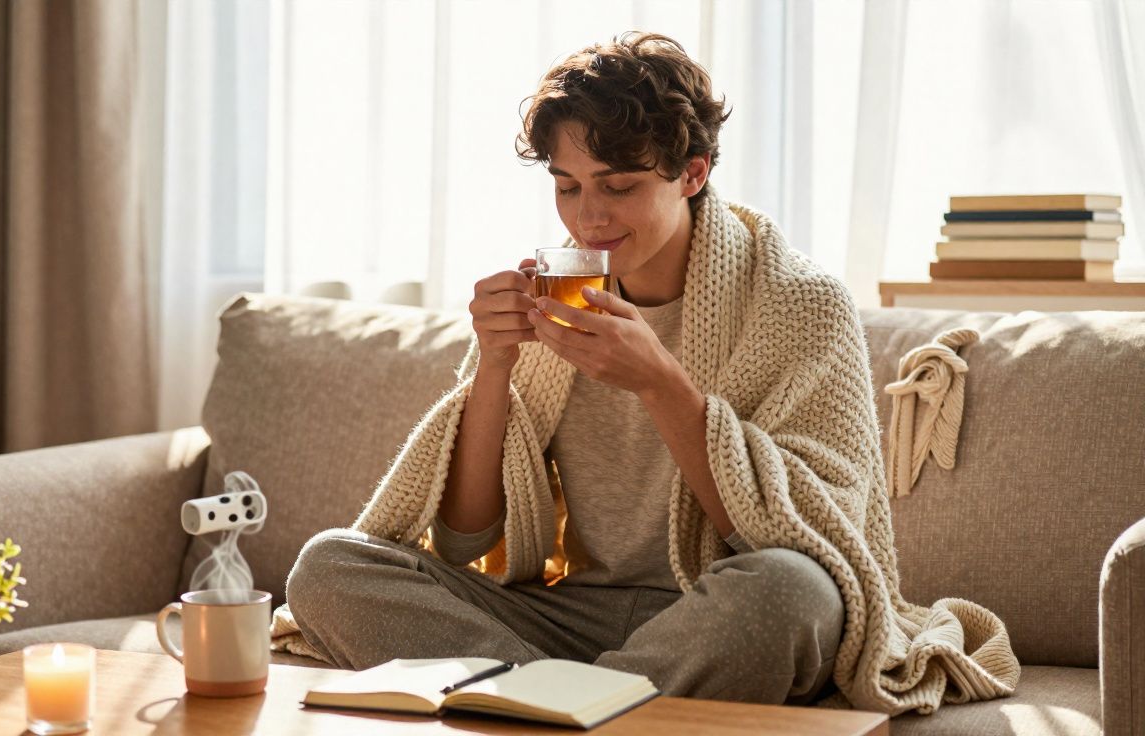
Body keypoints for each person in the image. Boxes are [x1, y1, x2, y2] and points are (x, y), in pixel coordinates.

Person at [276, 32, 1017, 714]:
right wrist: (496, 368)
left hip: (714, 610)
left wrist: (661, 383)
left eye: (618, 186)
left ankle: (530, 704)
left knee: (793, 594)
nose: (587, 217)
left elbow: (812, 539)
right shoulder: (549, 296)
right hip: (564, 613)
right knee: (327, 569)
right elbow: (469, 540)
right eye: (567, 186)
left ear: (692, 174)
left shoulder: (800, 303)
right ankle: (582, 705)